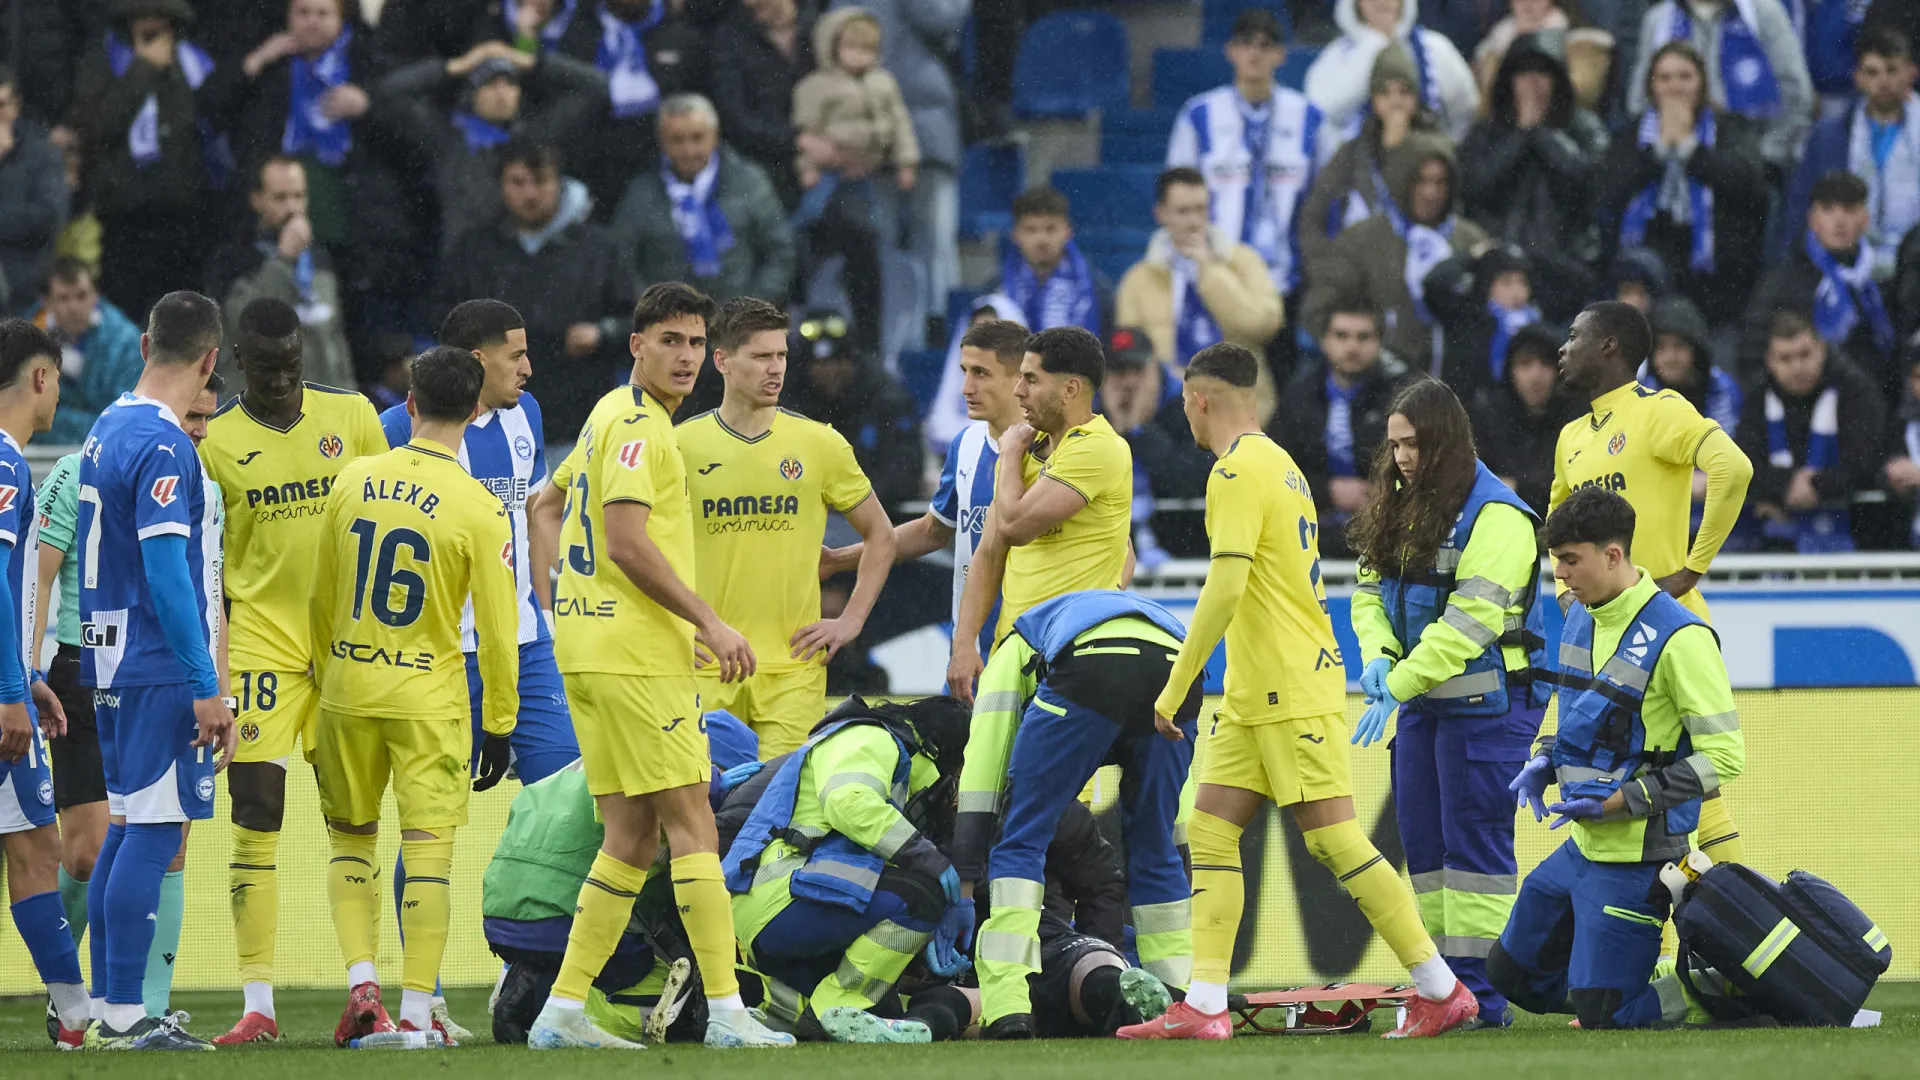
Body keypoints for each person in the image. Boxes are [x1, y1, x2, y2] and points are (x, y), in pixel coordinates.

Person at [1116, 343, 1479, 1041]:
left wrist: (1177, 683)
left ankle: (1442, 988)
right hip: (1259, 690)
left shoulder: (1235, 470)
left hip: (1286, 686)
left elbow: (1225, 584)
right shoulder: (1279, 463)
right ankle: (1207, 1003)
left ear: (1199, 401)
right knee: (1212, 829)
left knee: (1336, 842)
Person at [524, 282, 791, 1051]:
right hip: (638, 660)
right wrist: (707, 619)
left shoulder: (607, 415)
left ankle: (562, 1011)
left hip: (588, 653)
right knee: (693, 824)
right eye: (670, 341)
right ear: (636, 345)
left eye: (696, 343)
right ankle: (731, 1014)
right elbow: (628, 542)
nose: (685, 356)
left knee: (631, 837)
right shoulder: (641, 428)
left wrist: (562, 607)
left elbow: (546, 506)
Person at [308, 345, 518, 1046]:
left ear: (410, 403)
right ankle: (421, 1014)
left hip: (346, 686)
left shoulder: (353, 479)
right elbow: (497, 631)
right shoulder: (481, 508)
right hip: (428, 696)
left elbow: (322, 594)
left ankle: (363, 988)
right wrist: (500, 722)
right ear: (478, 409)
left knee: (350, 841)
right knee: (428, 853)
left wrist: (324, 672)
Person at [196, 296, 386, 1045]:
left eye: (291, 366)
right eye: (266, 368)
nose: (280, 380)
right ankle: (259, 1005)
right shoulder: (214, 443)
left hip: (345, 649)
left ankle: (364, 988)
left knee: (352, 816)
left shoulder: (355, 420)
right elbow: (208, 565)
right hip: (260, 650)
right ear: (240, 363)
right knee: (255, 809)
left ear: (305, 356)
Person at [1496, 486, 1744, 1030]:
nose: (1559, 575)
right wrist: (1545, 759)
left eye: (1569, 560)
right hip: (1582, 848)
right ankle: (1608, 986)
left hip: (1644, 857)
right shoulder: (1582, 613)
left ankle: (1713, 992)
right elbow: (1578, 720)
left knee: (1605, 1015)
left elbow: (1725, 758)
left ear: (1613, 556)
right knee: (1511, 976)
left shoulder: (1682, 638)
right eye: (1556, 560)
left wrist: (1620, 802)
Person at [1346, 378, 1549, 1027]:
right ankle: (1445, 992)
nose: (1402, 457)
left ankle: (1483, 999)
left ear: (1447, 441)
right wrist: (1377, 656)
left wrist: (1397, 683)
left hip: (1491, 707)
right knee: (1429, 857)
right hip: (1428, 706)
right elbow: (1369, 590)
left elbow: (1469, 625)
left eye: (1415, 444)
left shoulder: (1500, 517)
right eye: (1396, 444)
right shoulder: (1402, 505)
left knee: (1476, 858)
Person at [34, 375, 224, 1032]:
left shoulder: (109, 438)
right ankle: (114, 1010)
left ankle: (125, 1005)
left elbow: (211, 593)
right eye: (195, 413)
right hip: (134, 664)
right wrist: (27, 673)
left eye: (209, 419)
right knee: (133, 837)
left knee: (136, 834)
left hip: (118, 661)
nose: (199, 429)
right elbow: (167, 577)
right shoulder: (141, 450)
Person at [75, 290, 234, 1050]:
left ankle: (111, 1008)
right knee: (153, 829)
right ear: (209, 359)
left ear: (144, 345)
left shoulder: (108, 423)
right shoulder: (170, 445)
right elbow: (170, 575)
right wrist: (206, 684)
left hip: (106, 652)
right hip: (155, 661)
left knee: (126, 827)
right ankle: (129, 1015)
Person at [1551, 300, 1751, 866]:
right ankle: (1672, 949)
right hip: (1606, 634)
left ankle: (1734, 931)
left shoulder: (1658, 410)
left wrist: (1692, 568)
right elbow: (1555, 527)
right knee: (1632, 791)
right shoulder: (1570, 438)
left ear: (1610, 345)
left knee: (1696, 788)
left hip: (1667, 627)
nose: (1562, 349)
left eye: (1573, 335)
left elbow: (1733, 468)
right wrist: (1569, 596)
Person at [958, 589, 1200, 1038]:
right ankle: (1179, 1004)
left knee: (1021, 839)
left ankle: (1008, 1008)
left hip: (1092, 666)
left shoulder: (1014, 646)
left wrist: (968, 870)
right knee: (1155, 849)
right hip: (1180, 666)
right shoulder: (1127, 616)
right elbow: (1171, 814)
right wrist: (1178, 852)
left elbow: (984, 762)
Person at [674, 297, 897, 757]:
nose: (775, 368)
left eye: (781, 356)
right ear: (722, 361)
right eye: (760, 356)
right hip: (704, 666)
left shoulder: (819, 443)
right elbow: (635, 549)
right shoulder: (679, 446)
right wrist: (669, 630)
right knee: (698, 816)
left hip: (793, 670)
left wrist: (850, 621)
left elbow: (881, 534)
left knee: (779, 815)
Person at [381, 300, 579, 784]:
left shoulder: (526, 412)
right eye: (516, 357)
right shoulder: (395, 429)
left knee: (566, 796)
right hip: (441, 654)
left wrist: (549, 613)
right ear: (476, 360)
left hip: (524, 646)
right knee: (435, 817)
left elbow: (533, 514)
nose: (528, 369)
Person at [486, 712, 759, 1047]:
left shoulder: (596, 762)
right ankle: (562, 1003)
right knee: (676, 994)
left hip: (502, 917)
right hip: (564, 916)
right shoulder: (678, 778)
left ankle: (526, 979)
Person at [723, 695, 970, 1042]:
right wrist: (928, 858)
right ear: (938, 748)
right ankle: (831, 1010)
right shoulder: (874, 738)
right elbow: (849, 802)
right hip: (782, 899)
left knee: (884, 1013)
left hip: (775, 903)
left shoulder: (878, 747)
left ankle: (776, 1008)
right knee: (923, 894)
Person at [821, 317, 1030, 665]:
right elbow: (931, 531)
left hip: (1033, 646)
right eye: (963, 371)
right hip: (970, 651)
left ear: (1019, 378)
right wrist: (839, 560)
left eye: (980, 373)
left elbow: (1116, 546)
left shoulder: (1056, 450)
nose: (965, 387)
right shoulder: (965, 445)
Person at [947, 326, 1132, 701]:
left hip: (1070, 658)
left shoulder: (1098, 448)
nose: (1019, 391)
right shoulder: (1022, 452)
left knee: (1039, 761)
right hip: (1012, 652)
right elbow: (989, 553)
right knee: (984, 762)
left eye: (1031, 380)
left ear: (1070, 389)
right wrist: (965, 644)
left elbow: (1014, 527)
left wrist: (1100, 599)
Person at [0, 320, 84, 1046]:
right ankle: (75, 1011)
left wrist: (28, 671)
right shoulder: (3, 463)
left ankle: (73, 1014)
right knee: (36, 846)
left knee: (32, 844)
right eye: (56, 378)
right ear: (39, 379)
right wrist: (9, 689)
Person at [441, 140, 633, 442]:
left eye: (540, 181)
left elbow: (637, 321)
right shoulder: (475, 249)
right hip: (490, 421)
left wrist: (602, 333)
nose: (529, 193)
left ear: (560, 183)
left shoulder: (600, 248)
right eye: (517, 182)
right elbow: (445, 319)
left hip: (579, 419)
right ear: (500, 186)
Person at [61, 0, 218, 322]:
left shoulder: (191, 64)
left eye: (160, 17)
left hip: (183, 218)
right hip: (124, 218)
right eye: (142, 16)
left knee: (181, 321)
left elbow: (204, 122)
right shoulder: (102, 62)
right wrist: (143, 69)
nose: (151, 23)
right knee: (127, 317)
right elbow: (96, 125)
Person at [375, 41, 609, 255]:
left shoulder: (537, 136)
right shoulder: (447, 141)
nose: (502, 93)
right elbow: (389, 94)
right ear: (472, 94)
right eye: (490, 83)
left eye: (510, 83)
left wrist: (531, 62)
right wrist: (454, 66)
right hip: (468, 270)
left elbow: (597, 87)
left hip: (531, 267)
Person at [1600, 40, 1770, 329]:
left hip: (1713, 272)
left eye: (1685, 76)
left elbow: (1752, 189)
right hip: (1645, 261)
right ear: (1651, 85)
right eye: (1665, 77)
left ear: (1702, 83)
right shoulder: (1630, 136)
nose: (1675, 86)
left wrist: (1691, 150)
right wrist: (1657, 154)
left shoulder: (1731, 129)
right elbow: (1607, 193)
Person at [1165, 8, 1326, 293]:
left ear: (1281, 54)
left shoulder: (1309, 116)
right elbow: (1177, 199)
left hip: (1289, 279)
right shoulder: (1199, 115)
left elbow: (1325, 199)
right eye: (1246, 43)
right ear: (1230, 51)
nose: (1255, 53)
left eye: (1265, 45)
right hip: (1217, 273)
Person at [1302, 135, 1488, 376]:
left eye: (1440, 182)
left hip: (1458, 381)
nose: (1431, 193)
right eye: (1420, 181)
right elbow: (1320, 309)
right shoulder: (1361, 240)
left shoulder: (1471, 240)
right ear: (1401, 181)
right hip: (1379, 383)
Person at [1457, 32, 1609, 321]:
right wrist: (1521, 136)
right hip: (1502, 273)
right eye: (1523, 73)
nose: (1532, 82)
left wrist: (1540, 134)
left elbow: (1589, 183)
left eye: (1543, 73)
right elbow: (1474, 186)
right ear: (1508, 81)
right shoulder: (1486, 133)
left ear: (1559, 80)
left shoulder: (1584, 128)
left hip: (1565, 272)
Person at [610, 94, 797, 321]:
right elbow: (622, 258)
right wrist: (654, 311)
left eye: (698, 138)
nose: (689, 151)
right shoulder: (642, 191)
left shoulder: (749, 181)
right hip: (667, 325)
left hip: (737, 327)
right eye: (677, 140)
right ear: (662, 142)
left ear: (715, 137)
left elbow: (780, 252)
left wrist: (749, 310)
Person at [1115, 168, 1283, 418]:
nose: (1194, 221)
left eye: (1200, 209)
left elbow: (1263, 325)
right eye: (1183, 211)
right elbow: (1130, 357)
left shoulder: (1243, 261)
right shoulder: (1138, 280)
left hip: (1239, 407)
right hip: (1169, 413)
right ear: (1160, 214)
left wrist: (1211, 273)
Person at [1735, 311, 1887, 553]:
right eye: (1785, 358)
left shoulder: (1857, 391)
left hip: (1860, 536)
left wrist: (1817, 486)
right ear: (1770, 362)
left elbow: (1866, 460)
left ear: (1822, 351)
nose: (1797, 367)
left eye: (1805, 355)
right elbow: (1742, 463)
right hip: (1774, 543)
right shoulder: (1757, 398)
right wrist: (1784, 485)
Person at [1741, 170, 1900, 399]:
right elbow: (1752, 357)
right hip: (1805, 411)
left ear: (1865, 218)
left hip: (1874, 408)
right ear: (1812, 220)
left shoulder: (1882, 282)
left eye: (1849, 208)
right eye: (1828, 209)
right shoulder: (1782, 284)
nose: (1839, 220)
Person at [1275, 298, 1414, 555]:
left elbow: (1424, 467)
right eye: (1342, 336)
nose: (1352, 346)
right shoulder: (1299, 394)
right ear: (1324, 341)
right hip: (1308, 532)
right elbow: (1275, 471)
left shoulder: (1404, 395)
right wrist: (1327, 492)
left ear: (1379, 342)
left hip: (1390, 534)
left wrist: (1384, 493)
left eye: (1363, 337)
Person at [205, 156, 355, 391]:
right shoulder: (233, 259)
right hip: (259, 406)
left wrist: (348, 395)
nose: (292, 207)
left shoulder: (321, 258)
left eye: (299, 196)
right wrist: (283, 260)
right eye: (280, 198)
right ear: (257, 200)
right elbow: (245, 324)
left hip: (322, 406)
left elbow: (336, 340)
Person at [1297, 45, 1445, 278]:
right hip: (1359, 269)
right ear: (1373, 99)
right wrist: (1326, 266)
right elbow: (1313, 215)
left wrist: (1397, 151)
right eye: (1385, 93)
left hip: (1421, 269)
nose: (1395, 102)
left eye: (1404, 92)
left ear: (1417, 97)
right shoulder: (1352, 151)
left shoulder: (1438, 150)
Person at [1787, 29, 1920, 281]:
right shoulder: (1830, 136)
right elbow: (1801, 204)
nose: (1883, 81)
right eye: (1872, 72)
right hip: (1845, 262)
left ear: (1912, 73)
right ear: (1858, 78)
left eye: (1892, 70)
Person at [1628, 0, 1813, 175]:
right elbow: (1638, 101)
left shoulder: (1763, 14)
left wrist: (1767, 158)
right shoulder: (1659, 20)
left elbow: (1796, 94)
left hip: (1747, 161)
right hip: (1668, 161)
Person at [778, 310, 926, 512]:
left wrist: (850, 503)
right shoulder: (790, 399)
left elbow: (904, 470)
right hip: (805, 516)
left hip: (874, 515)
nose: (829, 372)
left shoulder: (885, 397)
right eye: (819, 364)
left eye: (837, 362)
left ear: (851, 361)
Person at [1101, 327, 1216, 563]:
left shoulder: (1192, 411)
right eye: (1119, 371)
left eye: (1138, 370)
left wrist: (1140, 431)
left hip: (1186, 557)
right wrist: (1116, 431)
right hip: (1111, 561)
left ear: (1155, 368)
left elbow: (1189, 484)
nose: (1130, 382)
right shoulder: (1090, 416)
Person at [791, 8, 919, 215]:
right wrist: (808, 168)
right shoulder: (816, 86)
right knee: (814, 213)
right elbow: (808, 130)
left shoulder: (884, 83)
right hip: (830, 168)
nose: (859, 56)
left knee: (876, 219)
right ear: (832, 46)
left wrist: (906, 163)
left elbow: (901, 125)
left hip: (874, 167)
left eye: (867, 49)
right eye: (851, 47)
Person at [1306, 0, 1480, 145]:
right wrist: (1376, 43)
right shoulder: (1337, 55)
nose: (1382, 2)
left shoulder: (1435, 48)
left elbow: (1467, 110)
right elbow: (1320, 109)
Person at [30, 259, 143, 443]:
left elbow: (124, 421)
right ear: (46, 303)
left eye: (81, 296)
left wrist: (53, 424)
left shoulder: (126, 344)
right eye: (64, 298)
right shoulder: (23, 343)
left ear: (96, 296)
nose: (74, 307)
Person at [1472, 324, 1581, 514]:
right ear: (1510, 370)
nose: (1536, 375)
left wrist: (1516, 488)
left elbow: (1575, 485)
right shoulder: (1489, 418)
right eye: (1525, 364)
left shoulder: (1577, 415)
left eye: (1545, 364)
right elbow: (1477, 484)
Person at [1425, 245, 1545, 404]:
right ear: (1487, 285)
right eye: (1506, 283)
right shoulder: (1466, 317)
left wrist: (1534, 254)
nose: (1517, 291)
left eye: (1522, 283)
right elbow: (1434, 282)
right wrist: (1472, 255)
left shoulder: (1535, 323)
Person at [989, 188, 1109, 339]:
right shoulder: (995, 292)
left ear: (1068, 232)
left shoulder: (1098, 290)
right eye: (1031, 230)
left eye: (1051, 229)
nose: (1042, 239)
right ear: (1015, 235)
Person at [0, 68, 69, 315]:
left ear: (16, 105)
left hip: (25, 289)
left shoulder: (42, 154)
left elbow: (49, 218)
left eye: (2, 105)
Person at [1472, 0, 1616, 114]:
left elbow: (1582, 96)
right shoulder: (1494, 46)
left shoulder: (1585, 42)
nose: (1527, 3)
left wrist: (1536, 41)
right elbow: (1482, 108)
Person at [1641, 296, 1743, 437]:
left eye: (1679, 345)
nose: (1670, 358)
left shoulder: (1724, 390)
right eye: (1661, 347)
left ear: (1697, 351)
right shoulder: (1641, 396)